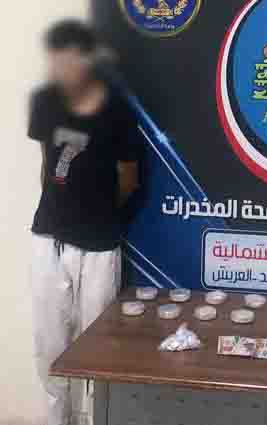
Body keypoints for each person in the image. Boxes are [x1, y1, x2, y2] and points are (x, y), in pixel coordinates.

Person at [28, 20, 141, 425]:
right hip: (49, 238)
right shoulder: (44, 101)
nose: (61, 69)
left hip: (98, 244)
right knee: (49, 346)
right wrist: (62, 206)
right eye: (55, 61)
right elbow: (47, 161)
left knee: (99, 349)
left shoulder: (117, 112)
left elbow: (129, 178)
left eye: (69, 61)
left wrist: (97, 212)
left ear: (87, 60)